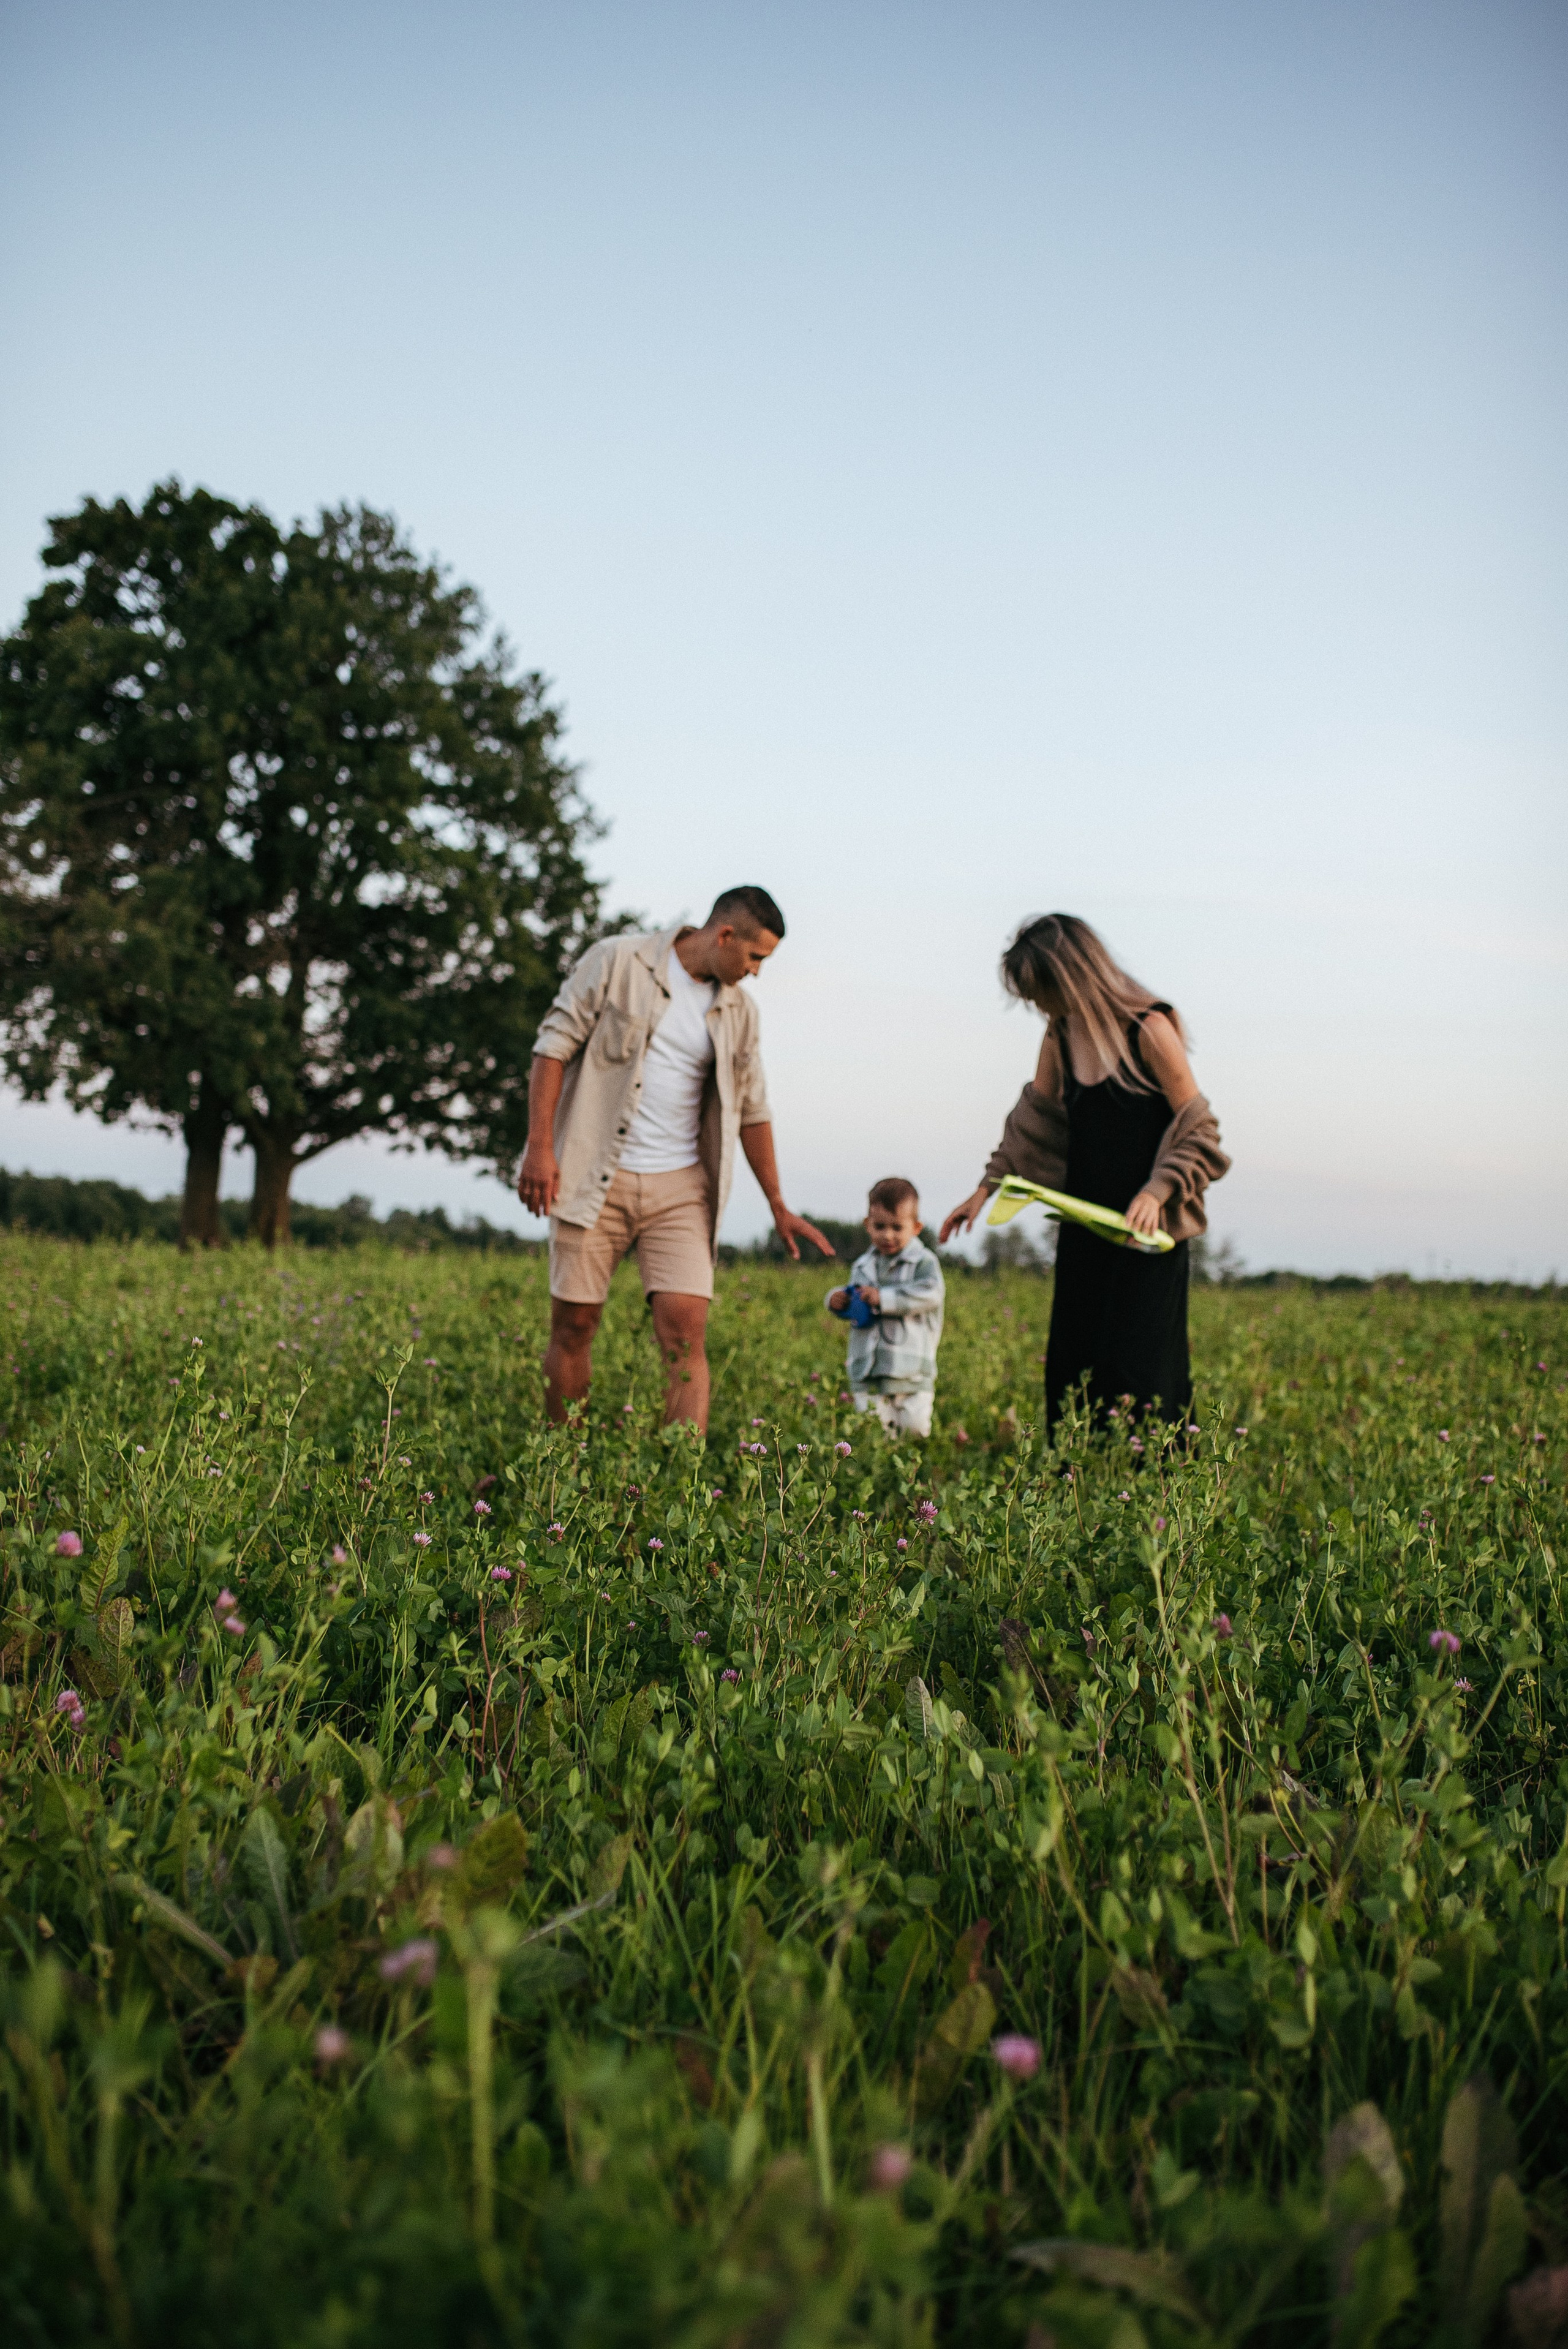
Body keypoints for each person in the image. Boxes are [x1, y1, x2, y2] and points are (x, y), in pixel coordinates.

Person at [518, 886, 832, 1428]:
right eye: (756, 958)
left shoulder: (741, 1013)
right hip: (595, 1174)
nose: (756, 972)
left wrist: (778, 1204)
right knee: (574, 1324)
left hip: (683, 1187)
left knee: (686, 1333)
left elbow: (754, 1110)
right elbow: (553, 1047)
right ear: (725, 935)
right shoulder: (618, 960)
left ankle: (676, 1485)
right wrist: (540, 1149)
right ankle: (559, 1468)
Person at [941, 914, 1229, 1441]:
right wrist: (985, 1189)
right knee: (1075, 1370)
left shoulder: (1149, 1029)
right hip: (1084, 1231)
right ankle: (1078, 1495)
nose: (1036, 1006)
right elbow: (1035, 1120)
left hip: (1147, 1237)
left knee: (1142, 1377)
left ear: (1069, 977)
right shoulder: (1060, 1033)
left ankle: (1156, 1507)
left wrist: (1157, 1189)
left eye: (1039, 992)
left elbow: (1199, 1126)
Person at [826, 1177, 945, 1438]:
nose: (887, 1235)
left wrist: (883, 1298)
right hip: (868, 1368)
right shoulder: (862, 1265)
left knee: (915, 1429)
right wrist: (837, 1302)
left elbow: (931, 1294)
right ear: (867, 1225)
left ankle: (912, 1472)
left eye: (897, 1227)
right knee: (874, 1434)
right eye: (879, 1226)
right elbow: (858, 1307)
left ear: (916, 1228)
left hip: (911, 1370)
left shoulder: (923, 1263)